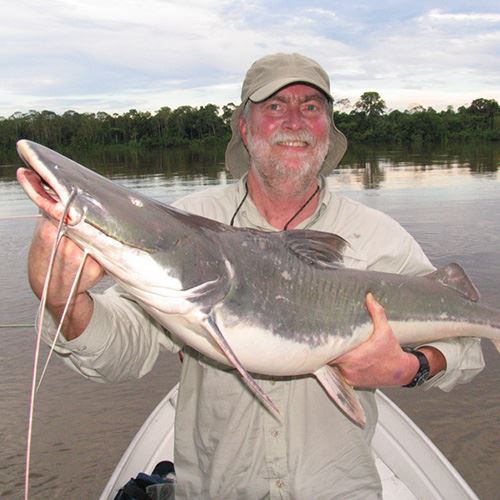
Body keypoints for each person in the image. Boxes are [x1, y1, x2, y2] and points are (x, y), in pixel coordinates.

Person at [28, 53, 484, 499]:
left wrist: (411, 367)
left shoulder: (379, 235)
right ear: (244, 128)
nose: (295, 120)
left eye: (311, 108)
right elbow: (120, 352)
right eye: (274, 106)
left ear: (328, 130)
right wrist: (63, 302)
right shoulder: (193, 222)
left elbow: (467, 348)